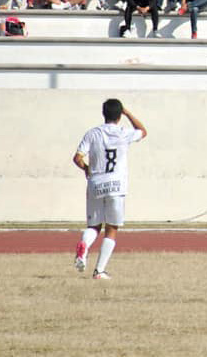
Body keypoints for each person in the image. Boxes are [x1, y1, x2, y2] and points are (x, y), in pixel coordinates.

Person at [72, 98, 147, 279]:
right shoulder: (123, 133)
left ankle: (84, 246)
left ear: (103, 113)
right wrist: (128, 113)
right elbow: (143, 131)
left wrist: (86, 168)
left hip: (96, 183)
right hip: (116, 185)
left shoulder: (92, 133)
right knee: (112, 228)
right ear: (119, 115)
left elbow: (77, 158)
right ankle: (99, 270)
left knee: (94, 226)